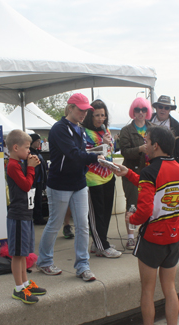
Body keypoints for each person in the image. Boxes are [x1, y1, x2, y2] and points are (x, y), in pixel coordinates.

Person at [110, 126, 179, 325]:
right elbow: (154, 186)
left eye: (147, 140)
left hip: (153, 238)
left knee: (147, 291)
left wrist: (130, 220)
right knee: (170, 289)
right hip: (175, 236)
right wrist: (128, 173)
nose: (145, 144)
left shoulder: (150, 171)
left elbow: (144, 210)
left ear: (156, 145)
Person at [37, 93, 104, 282]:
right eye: (81, 109)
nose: (84, 113)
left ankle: (83, 265)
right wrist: (95, 157)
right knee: (55, 223)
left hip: (79, 182)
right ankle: (44, 261)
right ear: (71, 107)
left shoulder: (80, 129)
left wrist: (96, 153)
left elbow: (79, 154)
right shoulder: (59, 128)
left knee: (83, 225)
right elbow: (73, 153)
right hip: (60, 183)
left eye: (86, 110)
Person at [5, 129, 46, 304]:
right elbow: (26, 185)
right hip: (18, 215)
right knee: (17, 254)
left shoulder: (19, 163)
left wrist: (30, 166)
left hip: (25, 214)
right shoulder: (13, 165)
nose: (30, 151)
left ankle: (25, 283)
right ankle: (18, 288)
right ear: (15, 147)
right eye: (27, 147)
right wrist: (30, 168)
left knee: (23, 253)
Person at [82, 99, 122, 258]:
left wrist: (108, 145)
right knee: (96, 214)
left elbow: (109, 154)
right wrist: (102, 144)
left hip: (108, 177)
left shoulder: (105, 131)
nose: (100, 119)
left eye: (103, 115)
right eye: (97, 115)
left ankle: (99, 242)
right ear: (90, 116)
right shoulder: (84, 131)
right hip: (93, 179)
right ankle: (103, 246)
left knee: (106, 212)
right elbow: (84, 153)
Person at [119, 97, 156, 250]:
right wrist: (140, 149)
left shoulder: (153, 128)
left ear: (148, 111)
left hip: (150, 172)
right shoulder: (126, 130)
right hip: (131, 172)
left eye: (144, 109)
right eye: (137, 110)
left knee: (150, 204)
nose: (141, 113)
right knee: (132, 204)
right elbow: (125, 152)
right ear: (133, 111)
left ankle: (148, 232)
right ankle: (130, 237)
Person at [150, 95, 179, 167]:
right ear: (156, 108)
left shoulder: (175, 125)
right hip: (148, 161)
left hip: (167, 163)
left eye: (166, 108)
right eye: (160, 107)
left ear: (170, 110)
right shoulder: (147, 120)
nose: (163, 110)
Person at [29, 133, 48, 225]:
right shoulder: (30, 153)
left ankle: (39, 217)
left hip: (39, 180)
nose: (39, 143)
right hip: (33, 180)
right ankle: (37, 217)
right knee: (34, 200)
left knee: (38, 199)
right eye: (37, 141)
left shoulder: (37, 153)